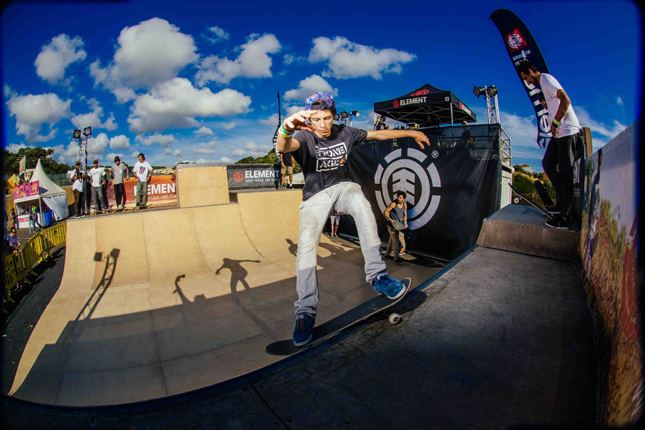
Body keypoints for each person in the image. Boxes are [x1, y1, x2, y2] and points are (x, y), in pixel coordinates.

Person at [277, 92, 430, 347]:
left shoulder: (346, 132)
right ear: (309, 120)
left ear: (334, 115)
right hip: (315, 197)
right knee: (306, 244)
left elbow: (378, 135)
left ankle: (378, 277)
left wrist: (411, 133)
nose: (322, 125)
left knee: (361, 203)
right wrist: (285, 128)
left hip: (342, 188)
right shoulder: (303, 136)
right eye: (316, 119)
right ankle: (305, 311)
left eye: (327, 118)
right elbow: (284, 147)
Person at [518, 61, 583, 229]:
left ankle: (566, 217)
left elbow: (566, 100)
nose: (528, 82)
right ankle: (561, 202)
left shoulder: (546, 80)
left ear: (530, 71)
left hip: (568, 132)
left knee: (566, 174)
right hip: (559, 135)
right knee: (547, 163)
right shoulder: (543, 87)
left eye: (526, 78)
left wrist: (555, 122)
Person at [383, 191, 408, 264]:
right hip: (391, 226)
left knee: (391, 240)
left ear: (403, 198)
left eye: (400, 198)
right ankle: (396, 258)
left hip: (399, 226)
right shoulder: (393, 204)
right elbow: (385, 212)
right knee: (396, 241)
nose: (399, 199)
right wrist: (390, 219)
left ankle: (387, 254)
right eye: (398, 197)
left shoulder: (404, 205)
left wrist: (405, 223)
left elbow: (405, 215)